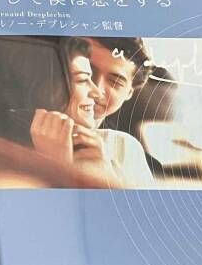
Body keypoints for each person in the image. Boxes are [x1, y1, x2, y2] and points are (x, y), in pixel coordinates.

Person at [20, 37, 153, 188]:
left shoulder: (124, 148)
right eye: (86, 73)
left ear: (129, 93)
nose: (97, 89)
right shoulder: (20, 141)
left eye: (115, 82)